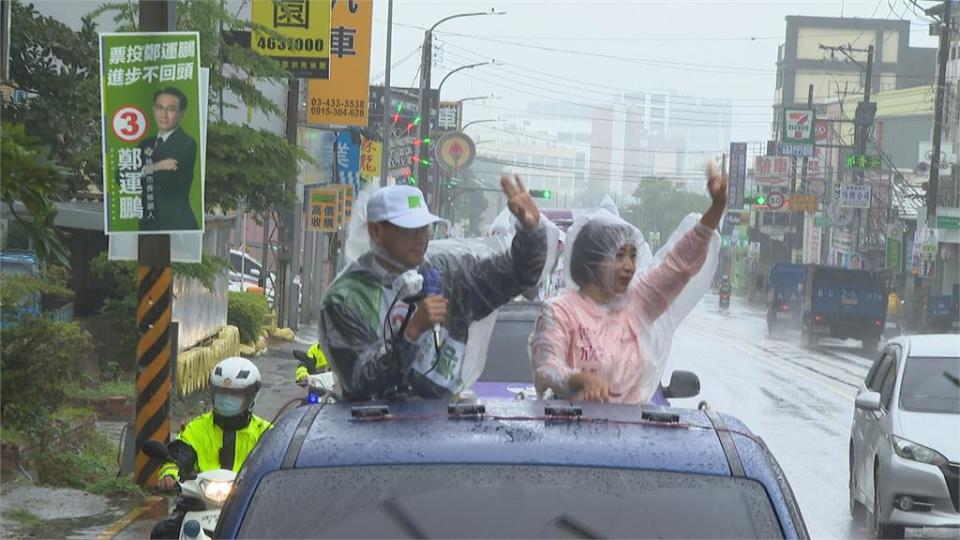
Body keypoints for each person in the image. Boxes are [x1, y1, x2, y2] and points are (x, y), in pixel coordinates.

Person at [319, 176, 547, 400]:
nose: (420, 238)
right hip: (367, 431)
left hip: (438, 427)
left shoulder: (447, 273)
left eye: (424, 228)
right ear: (377, 231)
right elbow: (361, 383)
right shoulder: (345, 299)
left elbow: (514, 276)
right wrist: (412, 332)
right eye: (409, 229)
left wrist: (531, 232)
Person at [530, 164, 725, 404]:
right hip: (573, 433)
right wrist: (577, 380)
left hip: (632, 433)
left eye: (633, 256)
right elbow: (547, 367)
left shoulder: (638, 304)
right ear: (591, 258)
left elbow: (678, 265)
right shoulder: (559, 311)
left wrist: (715, 210)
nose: (629, 266)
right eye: (618, 255)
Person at [151, 357, 271, 539]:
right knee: (162, 533)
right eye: (222, 392)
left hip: (248, 504)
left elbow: (277, 464)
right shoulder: (197, 428)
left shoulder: (266, 433)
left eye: (235, 394)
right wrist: (169, 475)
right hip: (198, 501)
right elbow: (177, 456)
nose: (227, 399)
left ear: (250, 396)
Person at [139, 87, 199, 231]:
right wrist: (156, 166)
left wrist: (142, 170)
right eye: (159, 108)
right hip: (148, 224)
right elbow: (120, 176)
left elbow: (162, 178)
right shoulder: (145, 144)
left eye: (171, 109)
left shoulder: (186, 144)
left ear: (181, 114)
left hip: (177, 227)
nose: (163, 115)